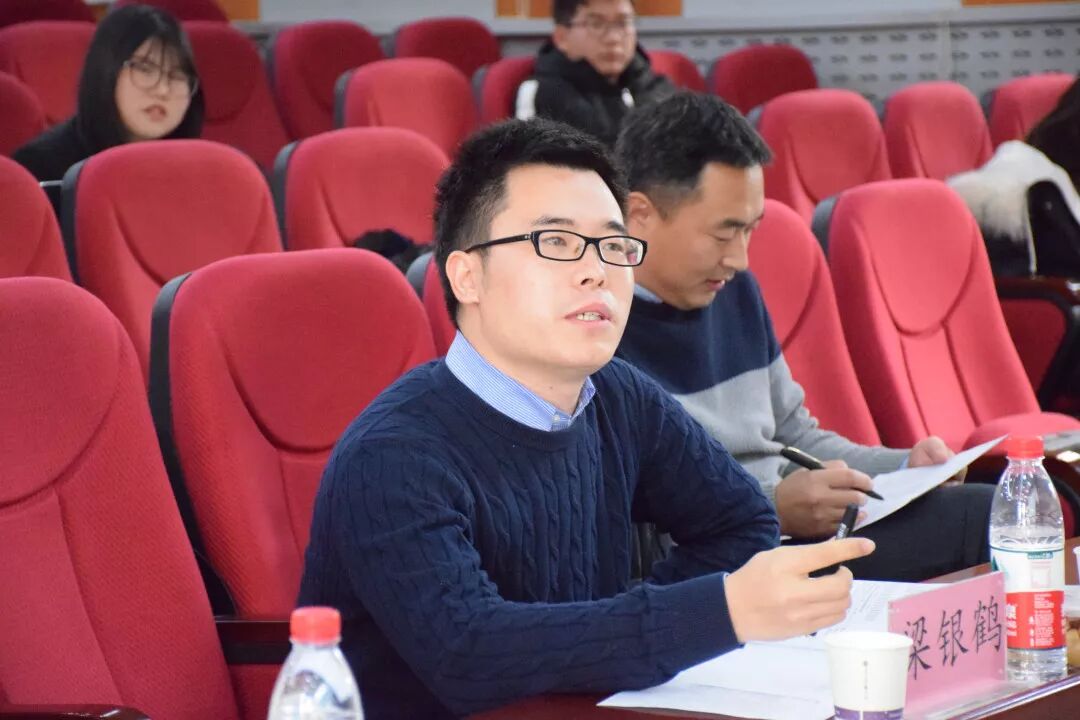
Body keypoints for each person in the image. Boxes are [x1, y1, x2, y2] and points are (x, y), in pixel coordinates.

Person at [298, 118, 874, 719]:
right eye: (556, 242)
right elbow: (469, 656)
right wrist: (712, 613)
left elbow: (741, 522)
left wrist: (622, 637)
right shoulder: (393, 455)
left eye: (613, 246)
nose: (596, 270)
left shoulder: (618, 396)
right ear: (467, 276)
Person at [614, 92, 995, 582]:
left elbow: (796, 437)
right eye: (723, 234)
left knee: (989, 510)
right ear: (639, 215)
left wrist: (904, 466)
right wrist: (770, 507)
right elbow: (627, 509)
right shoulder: (593, 324)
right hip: (707, 561)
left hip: (787, 533)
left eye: (750, 230)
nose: (740, 259)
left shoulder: (733, 290)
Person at [12, 5, 203, 182]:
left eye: (177, 75)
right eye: (145, 69)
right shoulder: (40, 167)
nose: (163, 90)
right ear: (105, 70)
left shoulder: (197, 168)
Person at [515, 0, 674, 147]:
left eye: (623, 22)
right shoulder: (543, 93)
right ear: (561, 37)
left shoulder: (658, 88)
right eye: (596, 24)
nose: (613, 38)